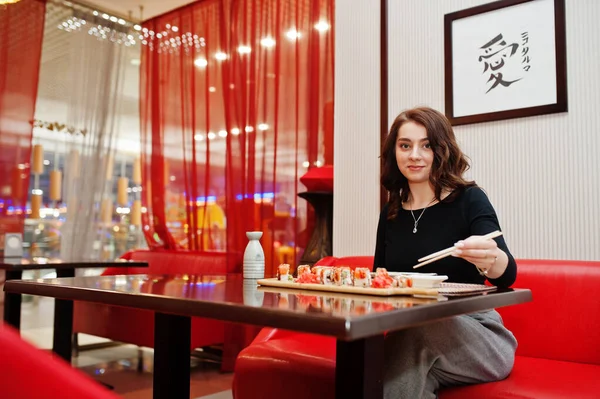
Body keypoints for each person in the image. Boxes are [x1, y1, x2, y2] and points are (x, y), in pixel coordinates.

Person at [374, 106, 518, 399]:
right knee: (405, 366)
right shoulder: (390, 214)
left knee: (411, 336)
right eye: (405, 146)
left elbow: (507, 273)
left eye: (426, 145)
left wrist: (492, 259)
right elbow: (380, 282)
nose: (415, 154)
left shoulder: (469, 200)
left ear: (441, 151)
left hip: (479, 335)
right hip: (412, 336)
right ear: (395, 153)